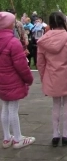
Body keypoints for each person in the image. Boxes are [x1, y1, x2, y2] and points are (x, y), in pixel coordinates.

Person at [37, 12, 67, 146]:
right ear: (63, 21)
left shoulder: (43, 40)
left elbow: (40, 63)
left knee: (55, 104)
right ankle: (66, 134)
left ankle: (55, 134)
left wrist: (43, 76)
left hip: (51, 74)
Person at [0, 12, 35, 149]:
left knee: (5, 107)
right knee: (13, 108)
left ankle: (7, 138)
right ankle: (18, 139)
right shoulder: (13, 43)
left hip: (2, 81)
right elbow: (21, 66)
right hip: (13, 81)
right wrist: (29, 79)